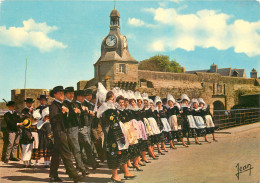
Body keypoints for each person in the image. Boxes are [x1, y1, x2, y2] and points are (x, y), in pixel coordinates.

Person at [49, 86, 84, 183]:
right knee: (66, 153)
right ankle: (74, 175)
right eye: (59, 93)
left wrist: (72, 113)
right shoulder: (54, 105)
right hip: (59, 132)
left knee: (57, 155)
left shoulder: (61, 105)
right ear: (55, 95)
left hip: (62, 131)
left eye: (62, 93)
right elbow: (53, 119)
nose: (62, 95)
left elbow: (66, 120)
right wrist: (62, 113)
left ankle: (53, 175)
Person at [96, 83, 126, 183]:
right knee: (115, 154)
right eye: (111, 98)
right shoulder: (109, 110)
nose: (113, 100)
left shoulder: (108, 109)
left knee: (117, 154)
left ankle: (116, 175)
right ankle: (114, 176)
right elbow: (114, 124)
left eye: (113, 98)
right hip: (113, 135)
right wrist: (120, 136)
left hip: (112, 135)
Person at [63, 87, 89, 176]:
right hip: (70, 128)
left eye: (72, 93)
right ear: (66, 94)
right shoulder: (65, 103)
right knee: (76, 149)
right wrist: (74, 112)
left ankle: (72, 168)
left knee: (74, 149)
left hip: (75, 127)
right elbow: (65, 116)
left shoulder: (73, 103)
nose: (71, 95)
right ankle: (82, 168)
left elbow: (78, 112)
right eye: (69, 93)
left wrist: (79, 111)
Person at [75, 90, 99, 170]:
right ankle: (92, 163)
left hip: (85, 126)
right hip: (81, 127)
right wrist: (84, 110)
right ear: (78, 97)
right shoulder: (76, 104)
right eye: (82, 96)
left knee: (82, 146)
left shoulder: (83, 104)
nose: (84, 98)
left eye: (84, 96)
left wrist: (88, 111)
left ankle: (81, 164)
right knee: (87, 145)